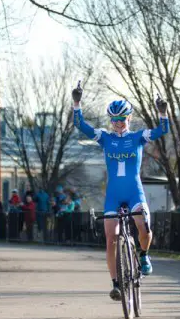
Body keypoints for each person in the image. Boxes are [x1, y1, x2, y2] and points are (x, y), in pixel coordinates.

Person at [72, 81, 169, 301]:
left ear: (129, 119)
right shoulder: (105, 138)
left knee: (143, 227)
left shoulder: (138, 137)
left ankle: (143, 255)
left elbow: (163, 130)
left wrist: (163, 112)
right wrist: (76, 102)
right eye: (114, 120)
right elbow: (81, 125)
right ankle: (116, 284)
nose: (117, 124)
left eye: (121, 119)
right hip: (113, 196)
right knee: (111, 238)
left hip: (134, 192)